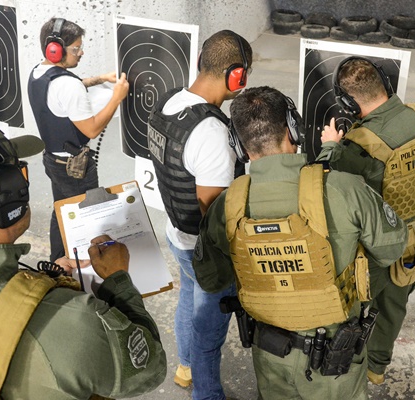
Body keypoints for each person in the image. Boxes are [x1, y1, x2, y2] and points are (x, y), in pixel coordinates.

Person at [0, 116, 166, 399]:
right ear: (5, 194)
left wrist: (46, 283)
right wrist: (118, 281)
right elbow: (150, 369)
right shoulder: (74, 323)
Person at [192, 86, 408, 399]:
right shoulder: (346, 189)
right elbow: (392, 250)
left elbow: (212, 280)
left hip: (271, 357)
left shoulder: (227, 206)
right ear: (293, 128)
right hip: (337, 361)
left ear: (238, 145)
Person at [319, 56, 415, 384]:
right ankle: (377, 367)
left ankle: (352, 370)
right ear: (384, 84)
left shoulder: (358, 147)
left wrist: (331, 147)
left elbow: (329, 184)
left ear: (347, 101)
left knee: (358, 306)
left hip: (379, 243)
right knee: (396, 302)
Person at [146, 30, 252, 399]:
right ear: (236, 76)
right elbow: (215, 210)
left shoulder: (166, 102)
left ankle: (184, 368)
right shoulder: (211, 132)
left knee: (186, 298)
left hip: (176, 234)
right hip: (203, 250)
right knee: (210, 338)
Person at [28, 17, 130, 262]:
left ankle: (58, 259)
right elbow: (92, 129)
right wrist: (117, 97)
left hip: (53, 160)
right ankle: (85, 266)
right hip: (75, 168)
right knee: (87, 217)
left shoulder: (39, 73)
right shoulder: (67, 86)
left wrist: (100, 79)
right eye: (76, 49)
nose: (81, 52)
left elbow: (69, 88)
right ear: (55, 50)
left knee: (61, 209)